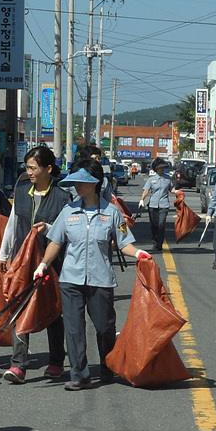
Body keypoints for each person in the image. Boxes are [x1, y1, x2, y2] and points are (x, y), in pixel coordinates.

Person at [38, 162, 148, 391]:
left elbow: (124, 243)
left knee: (104, 327)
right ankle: (80, 374)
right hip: (70, 279)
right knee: (74, 328)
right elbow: (56, 241)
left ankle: (109, 365)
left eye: (81, 182)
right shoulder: (68, 212)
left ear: (95, 183)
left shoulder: (112, 213)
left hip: (101, 280)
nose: (77, 186)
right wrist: (43, 264)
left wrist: (138, 253)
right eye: (75, 181)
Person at [0, 145, 71, 383]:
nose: (28, 171)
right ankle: (18, 365)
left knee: (52, 311)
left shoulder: (62, 197)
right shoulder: (21, 191)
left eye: (32, 167)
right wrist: (3, 254)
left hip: (51, 262)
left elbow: (66, 231)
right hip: (22, 260)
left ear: (48, 169)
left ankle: (56, 361)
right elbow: (12, 223)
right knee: (18, 307)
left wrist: (48, 229)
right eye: (27, 167)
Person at [138, 158, 176, 253]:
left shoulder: (167, 179)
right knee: (154, 225)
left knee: (161, 224)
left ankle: (160, 243)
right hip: (153, 205)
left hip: (164, 205)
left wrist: (178, 192)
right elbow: (146, 190)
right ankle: (155, 241)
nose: (162, 170)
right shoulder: (151, 179)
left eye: (163, 168)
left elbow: (172, 189)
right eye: (160, 168)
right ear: (156, 169)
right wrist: (142, 200)